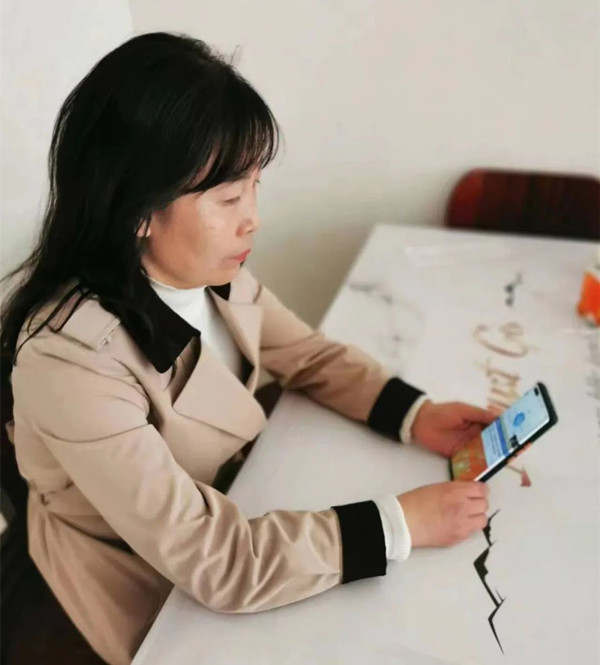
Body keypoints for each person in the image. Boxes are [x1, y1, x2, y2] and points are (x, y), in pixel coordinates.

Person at [1, 32, 493, 665]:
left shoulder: (203, 270)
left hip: (232, 510)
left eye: (254, 185)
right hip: (135, 575)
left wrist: (416, 414)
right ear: (137, 211)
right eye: (229, 197)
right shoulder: (70, 362)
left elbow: (307, 356)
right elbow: (216, 561)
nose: (252, 217)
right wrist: (399, 525)